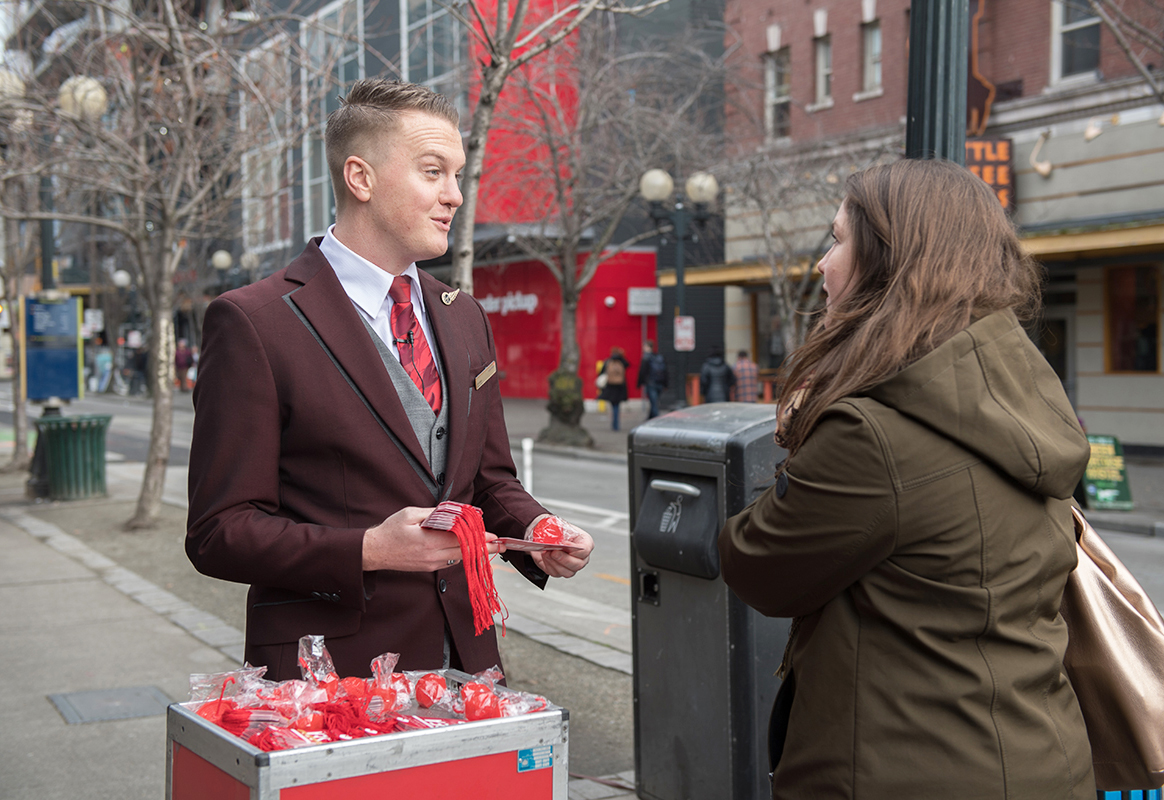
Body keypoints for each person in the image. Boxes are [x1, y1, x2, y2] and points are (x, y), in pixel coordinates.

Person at [186, 79, 594, 682]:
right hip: (326, 678)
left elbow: (487, 479)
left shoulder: (464, 315)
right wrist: (370, 549)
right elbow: (219, 531)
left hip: (469, 665)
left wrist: (535, 528)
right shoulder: (254, 322)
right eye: (433, 172)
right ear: (361, 178)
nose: (454, 196)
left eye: (458, 175)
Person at [718, 160, 1094, 799]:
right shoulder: (1026, 393)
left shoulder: (870, 432)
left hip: (902, 769)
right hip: (1038, 756)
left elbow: (757, 563)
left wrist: (801, 434)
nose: (822, 266)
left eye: (836, 241)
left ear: (891, 262)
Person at [598, 345, 630, 431]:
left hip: (610, 387)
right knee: (617, 406)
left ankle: (614, 424)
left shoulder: (608, 361)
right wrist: (622, 356)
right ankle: (616, 424)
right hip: (619, 387)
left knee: (613, 406)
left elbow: (601, 373)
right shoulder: (621, 362)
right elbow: (628, 364)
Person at [636, 340, 668, 419]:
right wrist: (665, 384)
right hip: (659, 383)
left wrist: (639, 383)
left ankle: (657, 420)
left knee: (654, 403)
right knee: (654, 401)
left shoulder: (646, 358)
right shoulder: (659, 357)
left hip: (651, 383)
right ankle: (650, 418)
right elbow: (665, 371)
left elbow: (642, 372)